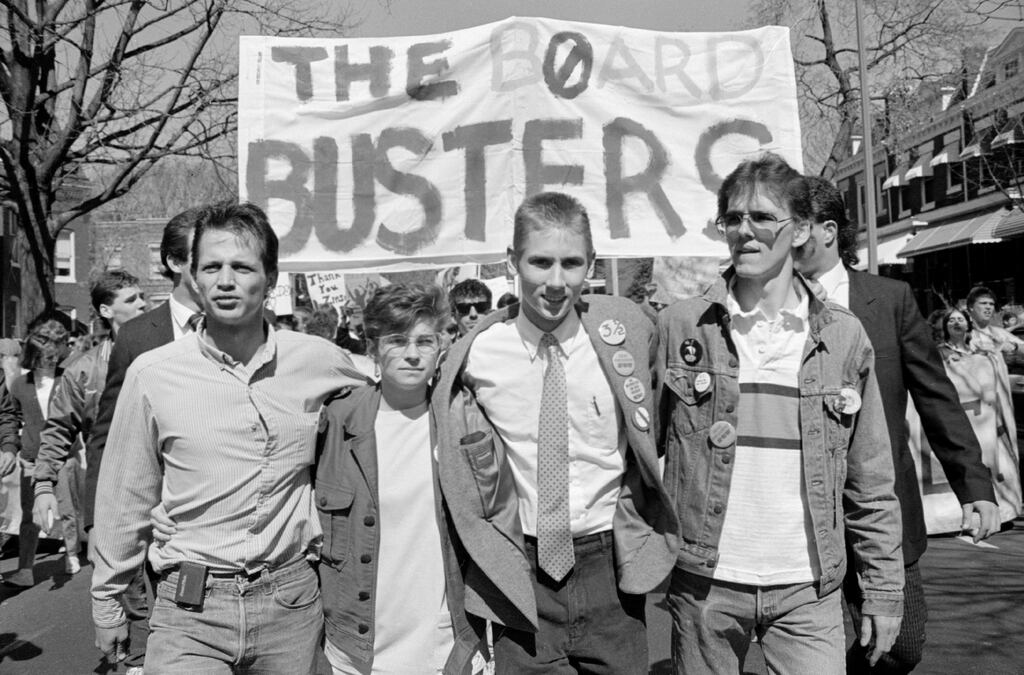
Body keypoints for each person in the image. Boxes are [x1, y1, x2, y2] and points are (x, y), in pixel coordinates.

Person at [89, 202, 368, 672]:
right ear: (193, 277)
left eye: (242, 267)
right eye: (211, 267)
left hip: (292, 604)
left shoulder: (319, 360)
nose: (225, 280)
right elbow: (125, 495)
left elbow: (392, 402)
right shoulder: (153, 374)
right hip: (189, 608)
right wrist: (107, 600)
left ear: (271, 277)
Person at [658, 154, 904, 673]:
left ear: (800, 231)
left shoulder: (842, 336)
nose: (743, 231)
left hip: (808, 590)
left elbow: (871, 478)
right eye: (732, 218)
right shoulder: (682, 327)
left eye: (762, 218)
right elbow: (638, 456)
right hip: (705, 585)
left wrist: (883, 590)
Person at [434, 191, 678, 674]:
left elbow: (661, 423)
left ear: (590, 264)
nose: (555, 281)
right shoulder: (477, 352)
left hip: (612, 571)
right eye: (540, 262)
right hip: (519, 576)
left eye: (571, 264)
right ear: (512, 262)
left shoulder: (627, 331)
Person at [794, 176, 999, 674]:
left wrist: (974, 485)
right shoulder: (773, 309)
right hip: (800, 508)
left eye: (793, 226)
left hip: (883, 507)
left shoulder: (890, 300)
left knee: (899, 648)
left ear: (827, 230)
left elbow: (936, 397)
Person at [32, 271, 148, 570]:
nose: (143, 305)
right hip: (111, 491)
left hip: (167, 487)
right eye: (132, 299)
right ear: (106, 311)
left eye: (143, 297)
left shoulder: (166, 353)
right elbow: (58, 428)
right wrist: (43, 485)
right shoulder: (83, 371)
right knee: (122, 590)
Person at [2, 319, 73, 587]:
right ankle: (25, 569)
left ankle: (72, 553)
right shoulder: (20, 384)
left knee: (66, 509)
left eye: (53, 357)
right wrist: (15, 446)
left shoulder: (66, 378)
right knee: (29, 515)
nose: (50, 362)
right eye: (45, 358)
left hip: (62, 455)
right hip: (31, 457)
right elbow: (14, 416)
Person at [966, 287, 1024, 364]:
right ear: (971, 307)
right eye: (983, 303)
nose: (988, 307)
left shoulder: (999, 332)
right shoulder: (963, 333)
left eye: (991, 304)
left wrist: (1014, 346)